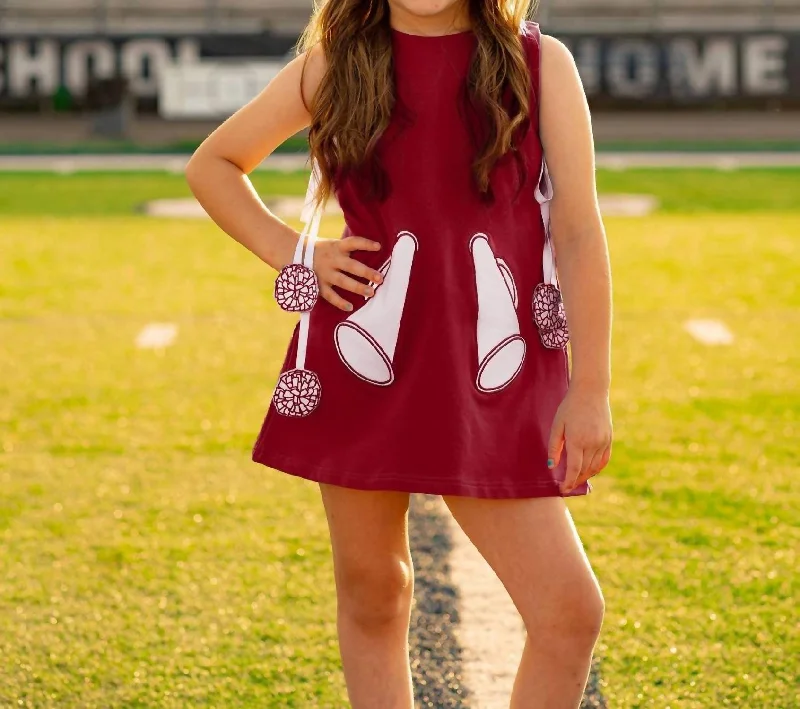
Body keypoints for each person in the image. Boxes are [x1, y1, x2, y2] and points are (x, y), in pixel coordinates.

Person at [186, 0, 613, 706]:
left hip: (492, 365)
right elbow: (215, 165)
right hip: (365, 356)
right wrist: (299, 253)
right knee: (374, 590)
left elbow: (578, 231)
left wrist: (591, 385)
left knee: (569, 611)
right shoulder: (336, 63)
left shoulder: (540, 64)